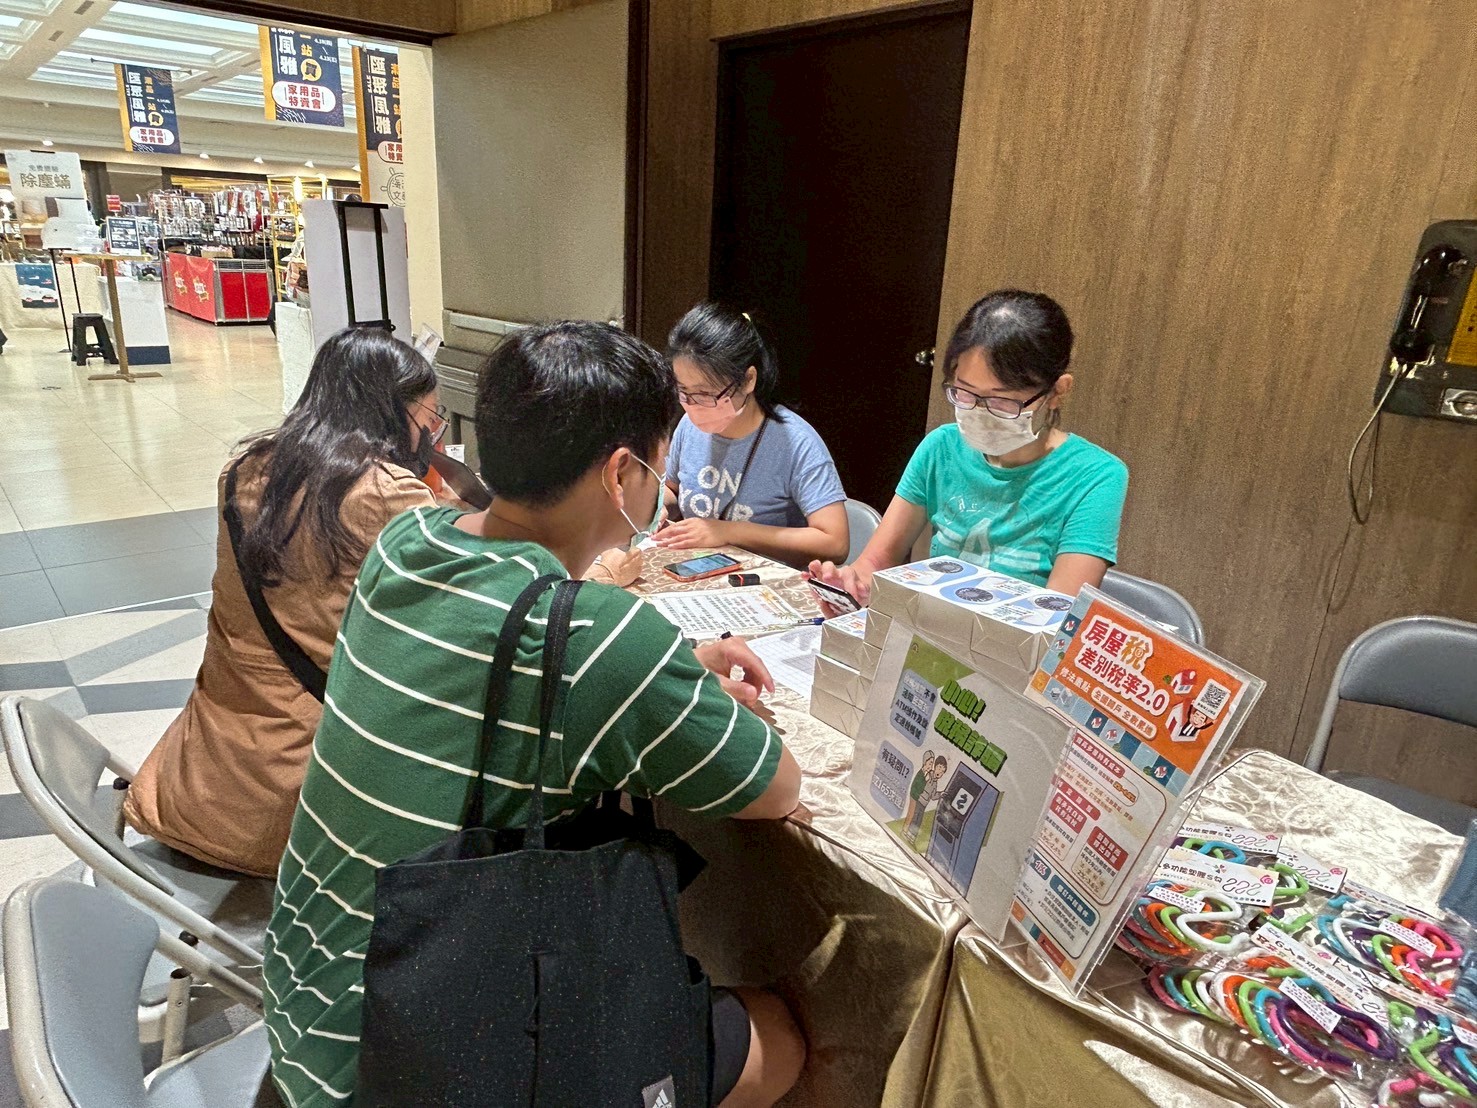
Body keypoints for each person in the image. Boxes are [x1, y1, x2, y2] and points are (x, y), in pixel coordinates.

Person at [264, 321, 806, 1108]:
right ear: (623, 475)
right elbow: (777, 789)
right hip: (403, 1062)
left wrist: (671, 672)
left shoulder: (408, 539)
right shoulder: (600, 634)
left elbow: (496, 667)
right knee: (776, 1035)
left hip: (307, 1001)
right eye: (658, 466)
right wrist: (655, 676)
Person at [123, 327, 446, 877]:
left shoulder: (246, 470)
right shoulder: (387, 492)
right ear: (396, 412)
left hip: (200, 783)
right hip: (296, 813)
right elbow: (464, 613)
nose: (433, 436)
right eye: (430, 420)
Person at [810, 290, 1127, 602]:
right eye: (964, 393)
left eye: (1002, 400)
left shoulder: (1096, 476)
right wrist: (852, 584)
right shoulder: (942, 448)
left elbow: (1057, 613)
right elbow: (876, 562)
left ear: (1057, 391)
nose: (979, 412)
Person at [657, 302, 848, 568]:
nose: (693, 406)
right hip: (699, 570)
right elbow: (673, 487)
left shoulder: (796, 442)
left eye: (706, 394)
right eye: (684, 392)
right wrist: (658, 505)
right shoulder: (689, 426)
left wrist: (727, 531)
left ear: (748, 380)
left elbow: (835, 543)